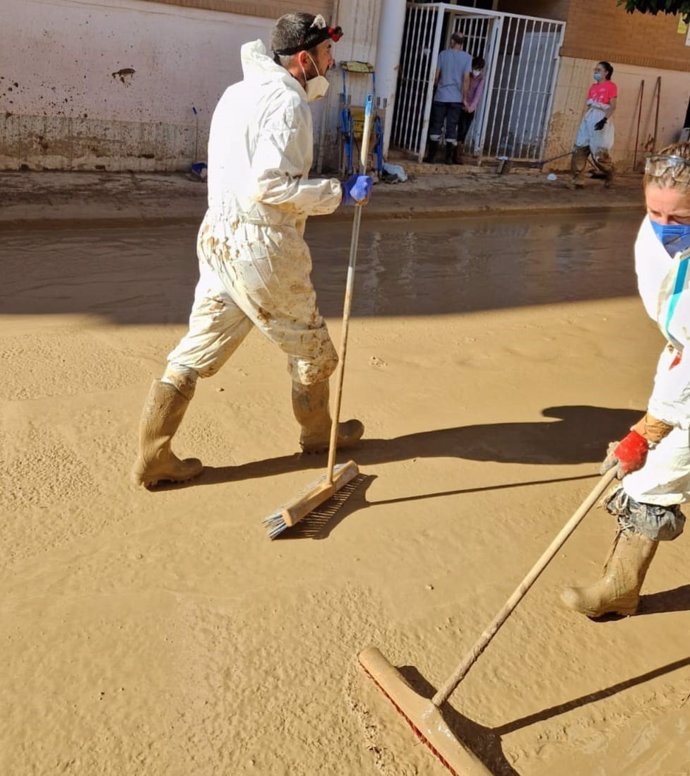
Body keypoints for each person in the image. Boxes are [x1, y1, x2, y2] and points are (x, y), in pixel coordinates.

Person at [132, 12, 373, 488]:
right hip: (262, 246)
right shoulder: (289, 103)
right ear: (304, 59)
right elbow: (269, 185)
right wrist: (339, 192)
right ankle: (318, 435)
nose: (331, 62)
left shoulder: (236, 93)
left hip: (218, 237)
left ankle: (153, 454)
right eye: (326, 54)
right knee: (313, 349)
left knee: (194, 349)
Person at [561, 142, 690, 618]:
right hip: (682, 356)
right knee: (655, 473)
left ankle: (620, 586)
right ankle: (622, 588)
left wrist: (645, 431)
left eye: (677, 219)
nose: (662, 226)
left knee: (653, 475)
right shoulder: (655, 232)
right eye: (654, 212)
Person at [424, 32, 472, 165]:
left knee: (436, 126)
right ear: (462, 42)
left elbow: (436, 74)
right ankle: (448, 158)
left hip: (441, 96)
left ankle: (431, 157)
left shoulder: (443, 54)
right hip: (456, 98)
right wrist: (465, 97)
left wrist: (433, 88)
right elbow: (466, 79)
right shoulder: (467, 58)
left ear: (452, 41)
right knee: (452, 127)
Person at [571, 61, 617, 189]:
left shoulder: (611, 86)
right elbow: (590, 105)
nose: (595, 72)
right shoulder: (592, 87)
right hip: (589, 118)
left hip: (601, 118)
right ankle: (578, 180)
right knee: (580, 148)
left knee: (599, 153)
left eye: (599, 70)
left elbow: (613, 106)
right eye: (595, 70)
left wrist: (604, 120)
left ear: (606, 72)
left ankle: (609, 172)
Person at [454, 56, 485, 165]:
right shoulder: (467, 75)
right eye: (476, 68)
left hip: (471, 109)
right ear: (472, 66)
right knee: (460, 129)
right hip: (461, 105)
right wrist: (465, 103)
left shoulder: (481, 79)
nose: (477, 71)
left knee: (465, 131)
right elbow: (463, 89)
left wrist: (471, 107)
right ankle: (455, 155)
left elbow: (478, 95)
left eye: (480, 69)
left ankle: (457, 154)